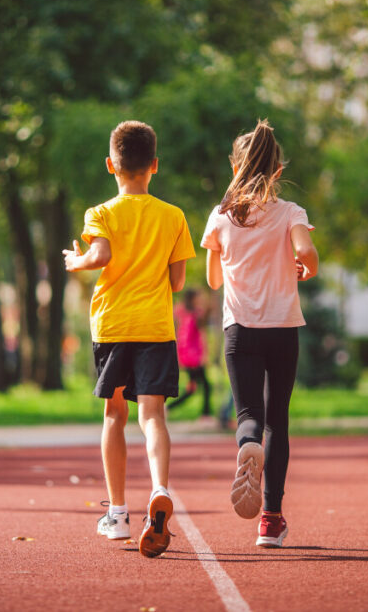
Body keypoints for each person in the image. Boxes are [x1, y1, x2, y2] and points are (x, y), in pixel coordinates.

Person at [63, 120, 194, 558]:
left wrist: (75, 261)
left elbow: (100, 256)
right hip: (156, 328)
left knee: (114, 415)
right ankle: (160, 488)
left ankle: (117, 514)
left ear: (110, 165)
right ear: (154, 165)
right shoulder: (174, 216)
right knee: (153, 415)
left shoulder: (100, 213)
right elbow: (177, 282)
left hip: (114, 327)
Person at [202, 119, 318, 548]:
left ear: (236, 166)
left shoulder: (220, 217)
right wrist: (306, 264)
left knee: (249, 414)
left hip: (240, 331)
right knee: (279, 421)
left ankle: (246, 442)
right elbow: (305, 252)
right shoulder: (291, 213)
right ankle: (270, 519)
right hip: (283, 329)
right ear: (278, 171)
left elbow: (214, 280)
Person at [167, 289, 213, 418]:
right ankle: (206, 414)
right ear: (193, 298)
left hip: (185, 353)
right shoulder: (197, 314)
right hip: (194, 355)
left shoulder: (180, 311)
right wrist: (205, 354)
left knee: (193, 387)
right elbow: (202, 334)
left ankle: (168, 408)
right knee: (203, 386)